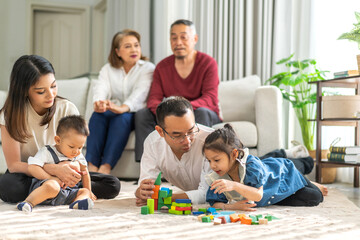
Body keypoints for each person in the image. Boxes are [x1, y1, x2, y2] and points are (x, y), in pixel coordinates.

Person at [0, 55, 120, 204]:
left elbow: (76, 153)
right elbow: (14, 165)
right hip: (29, 173)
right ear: (24, 91)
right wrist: (52, 170)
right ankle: (65, 192)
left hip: (66, 169)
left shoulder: (67, 108)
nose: (51, 95)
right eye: (40, 91)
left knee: (113, 184)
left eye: (53, 86)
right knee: (8, 187)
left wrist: (68, 169)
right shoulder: (9, 115)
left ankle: (52, 192)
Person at [134, 96, 257, 211]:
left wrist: (165, 199)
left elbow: (206, 194)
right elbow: (146, 185)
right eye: (177, 135)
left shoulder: (211, 143)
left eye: (191, 131)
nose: (187, 140)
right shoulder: (153, 142)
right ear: (160, 131)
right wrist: (142, 192)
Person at [134, 19, 222, 162]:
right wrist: (169, 112)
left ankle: (198, 163)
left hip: (199, 111)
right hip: (172, 114)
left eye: (183, 37)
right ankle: (148, 166)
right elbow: (153, 99)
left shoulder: (208, 63)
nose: (178, 42)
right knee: (142, 114)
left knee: (202, 112)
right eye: (174, 38)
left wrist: (181, 110)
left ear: (195, 39)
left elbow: (210, 98)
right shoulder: (162, 66)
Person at [203, 124, 326, 210]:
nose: (212, 165)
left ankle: (306, 179)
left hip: (284, 174)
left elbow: (257, 195)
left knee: (316, 197)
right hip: (268, 190)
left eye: (217, 160)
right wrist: (232, 206)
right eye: (209, 160)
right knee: (264, 166)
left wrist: (234, 185)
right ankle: (283, 193)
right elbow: (215, 203)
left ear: (234, 154)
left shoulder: (251, 166)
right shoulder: (218, 176)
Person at [86, 30, 155, 174]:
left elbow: (140, 93)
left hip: (134, 112)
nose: (134, 49)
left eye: (136, 45)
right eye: (128, 46)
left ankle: (106, 168)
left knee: (121, 119)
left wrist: (122, 108)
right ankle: (91, 167)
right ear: (117, 51)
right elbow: (101, 87)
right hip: (113, 108)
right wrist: (99, 102)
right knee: (97, 116)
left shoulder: (147, 68)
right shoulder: (108, 69)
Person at [17, 115, 96, 212]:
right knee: (52, 187)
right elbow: (32, 167)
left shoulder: (78, 156)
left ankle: (78, 203)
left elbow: (85, 172)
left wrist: (89, 190)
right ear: (58, 140)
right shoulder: (47, 152)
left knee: (85, 192)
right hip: (47, 188)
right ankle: (28, 202)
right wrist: (50, 178)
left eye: (80, 147)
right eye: (71, 147)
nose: (76, 151)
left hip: (68, 192)